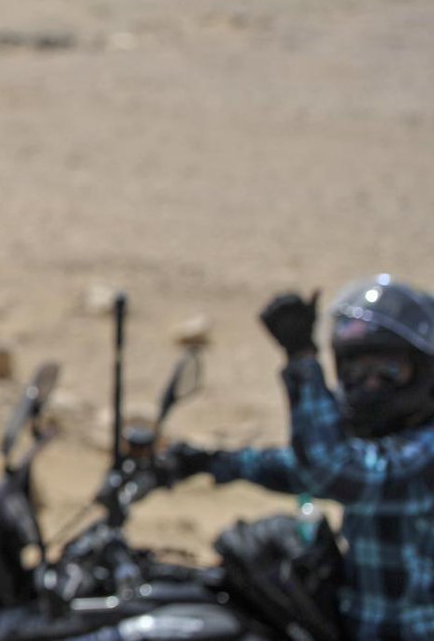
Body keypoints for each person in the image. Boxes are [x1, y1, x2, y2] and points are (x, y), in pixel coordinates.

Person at [167, 275, 434, 641]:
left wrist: (302, 359)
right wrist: (208, 462)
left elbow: (336, 470)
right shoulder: (391, 447)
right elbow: (302, 470)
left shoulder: (425, 453)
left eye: (389, 371)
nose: (371, 385)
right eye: (356, 373)